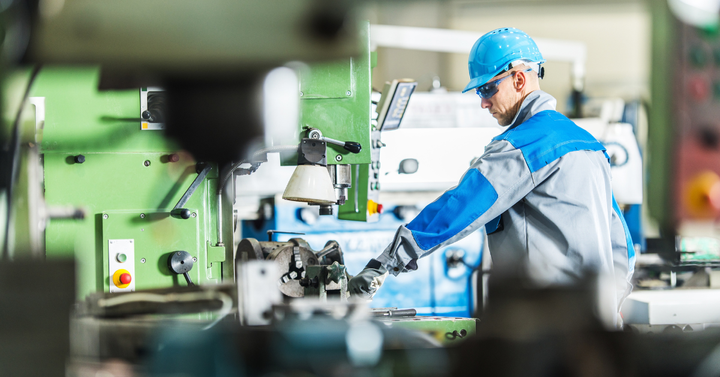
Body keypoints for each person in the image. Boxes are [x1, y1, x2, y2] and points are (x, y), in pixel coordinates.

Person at [348, 27, 636, 327]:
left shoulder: (523, 145)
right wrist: (609, 305)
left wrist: (385, 263)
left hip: (548, 328)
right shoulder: (589, 144)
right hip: (596, 328)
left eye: (487, 90)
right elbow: (622, 244)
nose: (483, 103)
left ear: (519, 79)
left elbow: (460, 207)